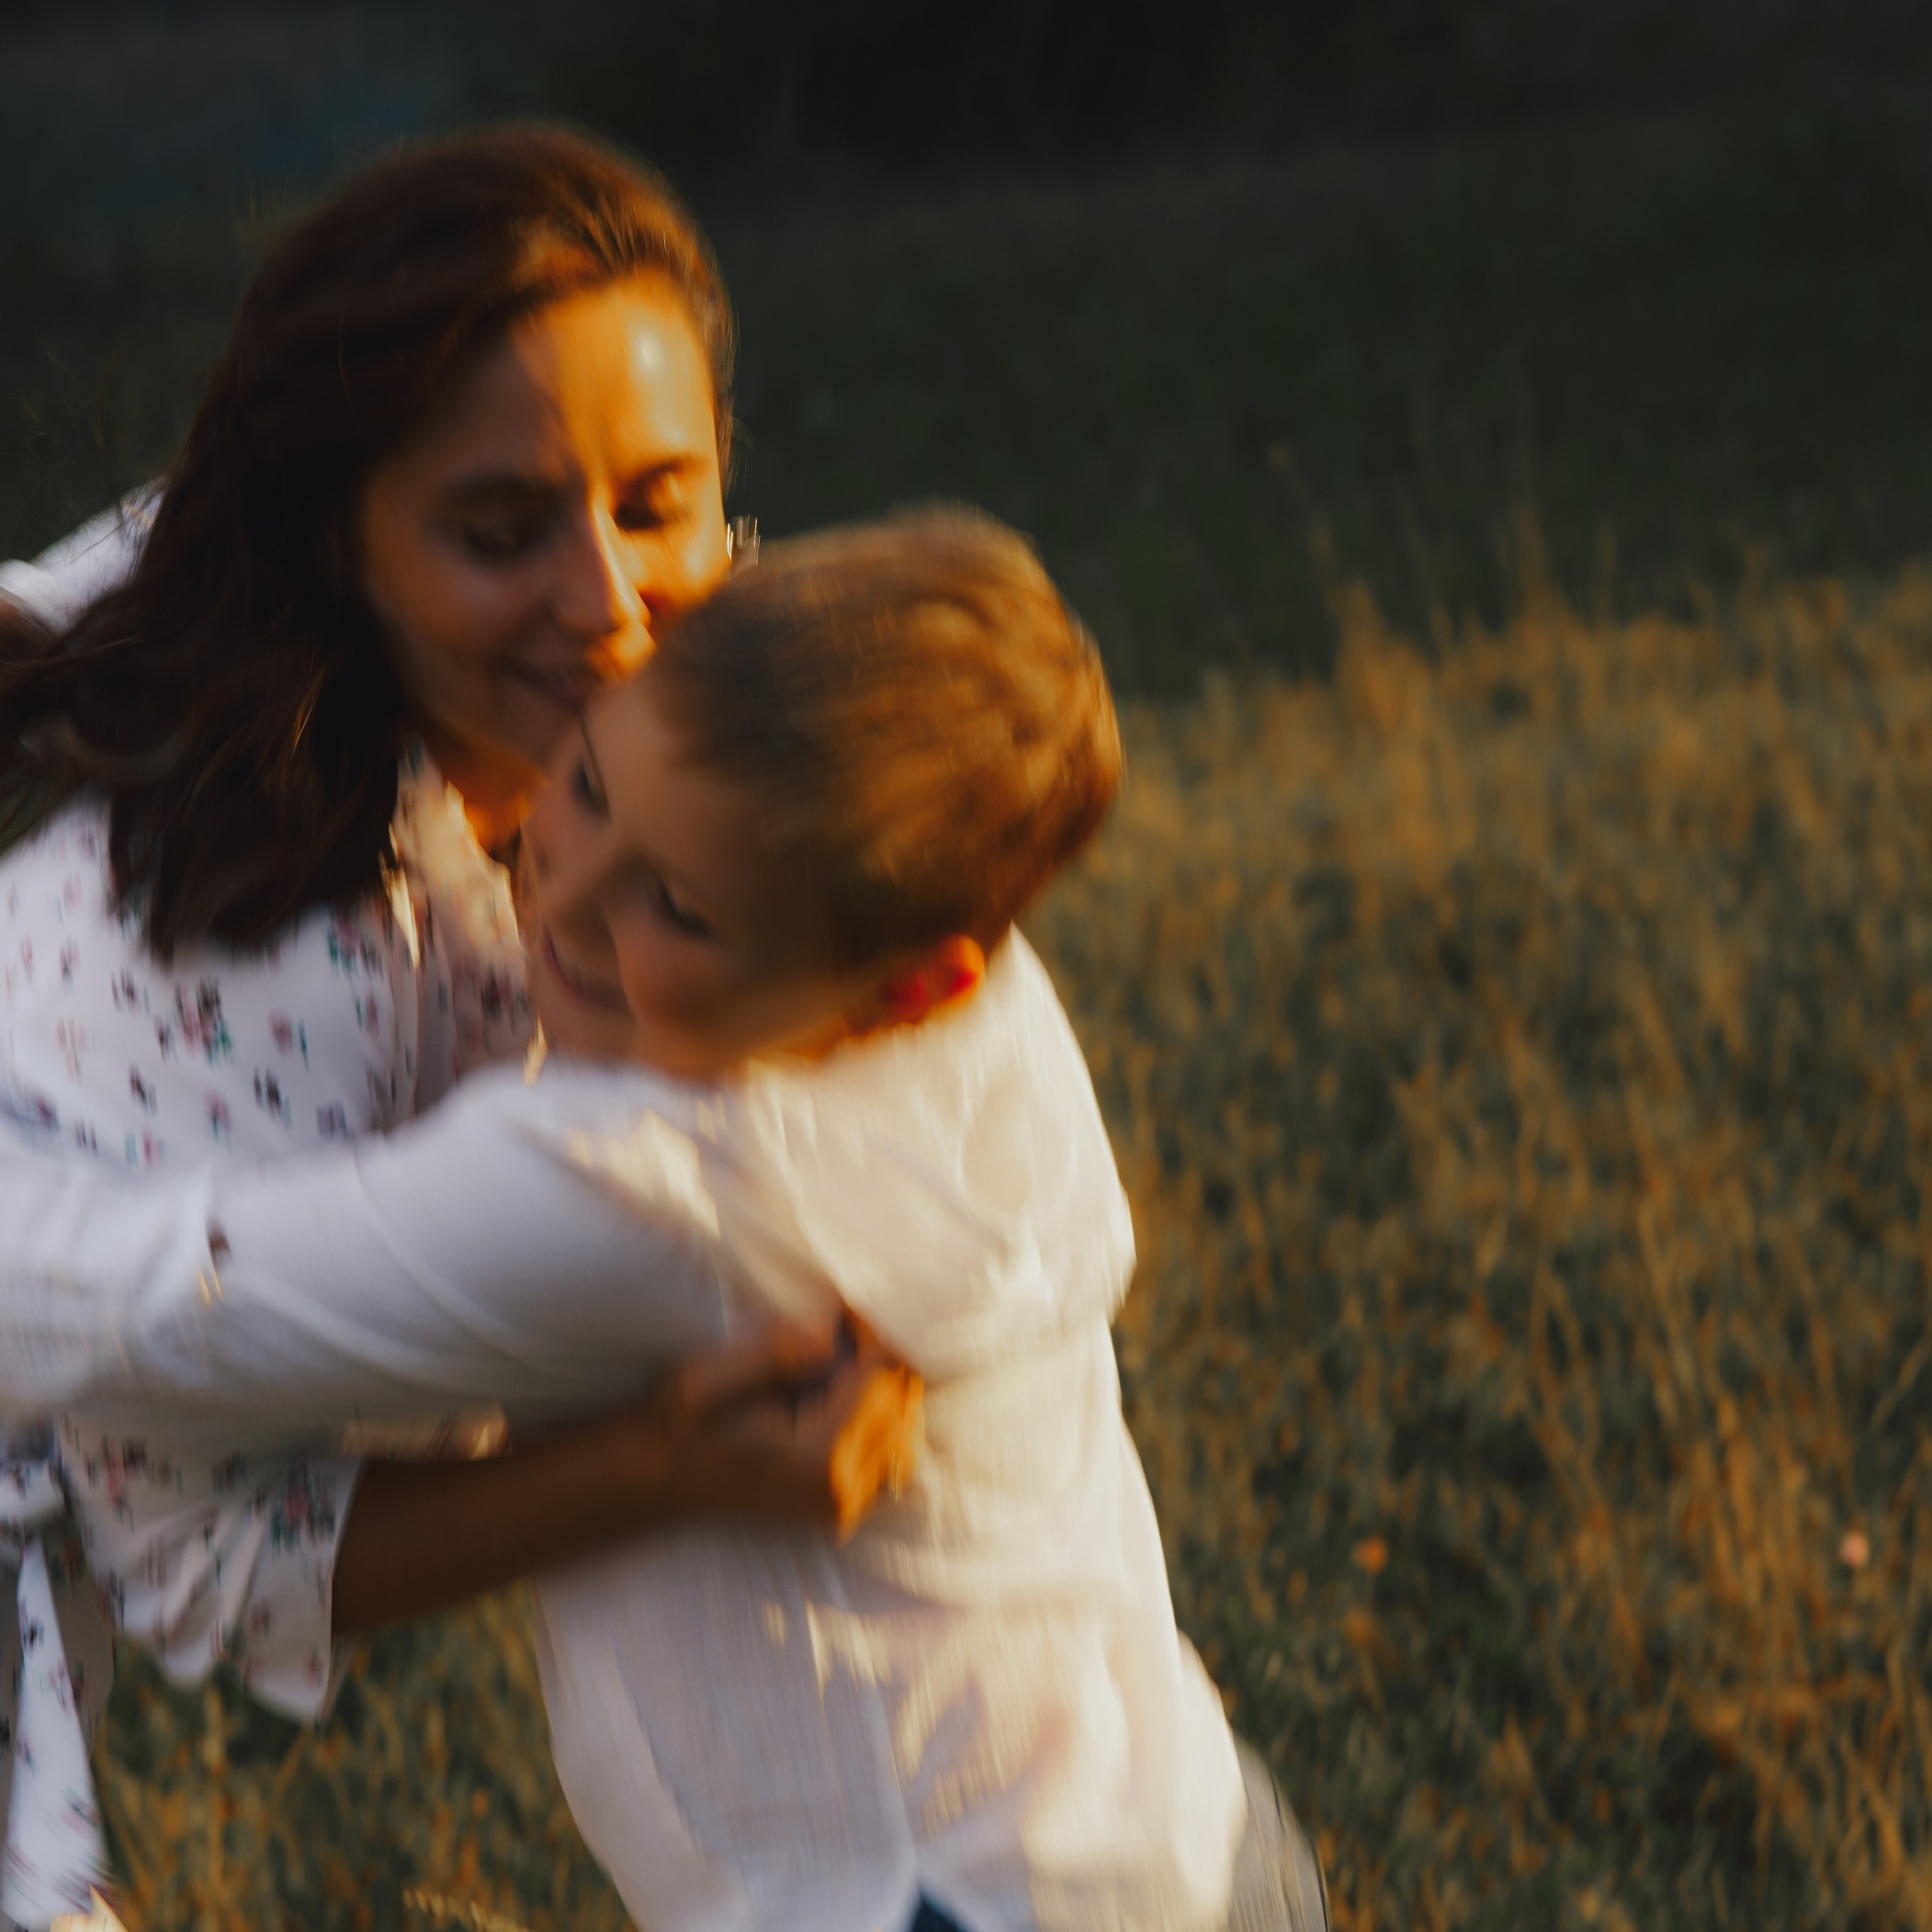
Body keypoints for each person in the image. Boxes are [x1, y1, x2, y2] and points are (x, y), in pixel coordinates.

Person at [0, 510, 1328, 1931]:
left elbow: (137, 1314)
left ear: (911, 984)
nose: (561, 896)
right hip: (1174, 1821)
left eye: (677, 909)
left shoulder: (655, 1180)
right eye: (585, 785)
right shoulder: (986, 1018)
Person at [0, 125, 903, 1929]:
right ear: (347, 540)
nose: (608, 600)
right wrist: (653, 1468)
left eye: (658, 498)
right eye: (503, 533)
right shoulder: (263, 929)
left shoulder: (690, 754)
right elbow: (203, 1563)